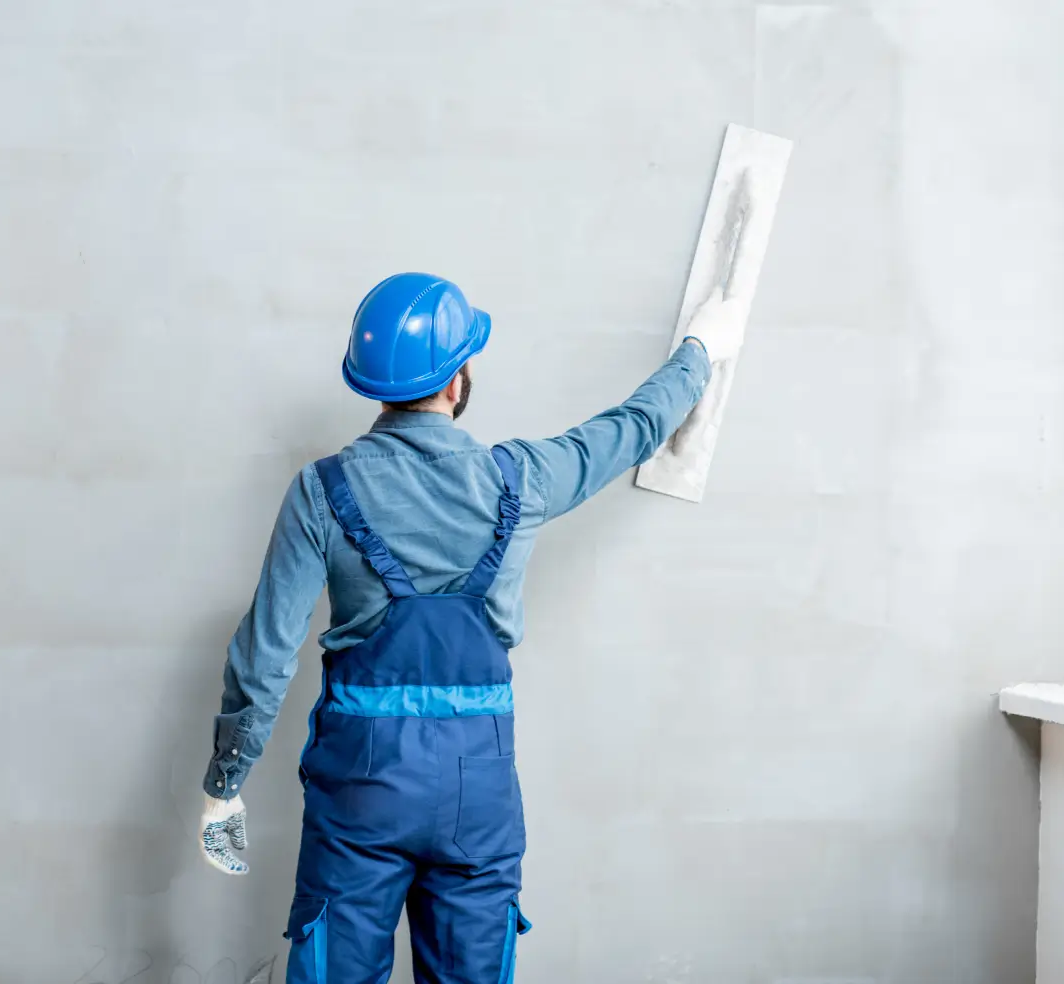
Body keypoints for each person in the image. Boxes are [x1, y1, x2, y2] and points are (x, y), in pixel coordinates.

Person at [198, 272, 741, 983]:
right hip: (476, 793)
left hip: (362, 790)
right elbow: (632, 429)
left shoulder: (322, 490)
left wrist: (225, 781)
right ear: (458, 379)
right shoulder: (524, 478)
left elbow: (266, 652)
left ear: (372, 382)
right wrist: (700, 349)